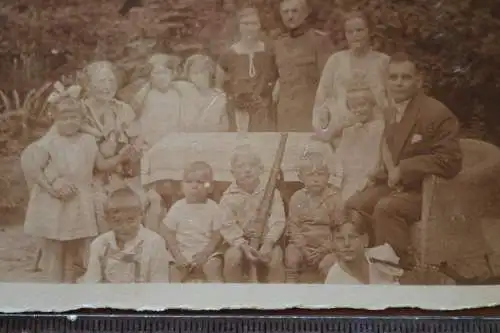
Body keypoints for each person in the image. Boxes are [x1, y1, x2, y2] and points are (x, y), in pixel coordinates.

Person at [346, 52, 463, 269]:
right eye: (393, 77)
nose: (398, 83)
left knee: (386, 208)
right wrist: (379, 173)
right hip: (399, 186)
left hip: (426, 191)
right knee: (355, 204)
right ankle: (363, 265)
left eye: (405, 77)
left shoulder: (436, 113)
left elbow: (451, 161)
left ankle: (397, 268)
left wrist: (405, 168)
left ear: (418, 80)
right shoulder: (392, 111)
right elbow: (396, 153)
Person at [22, 96, 137, 283]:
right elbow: (35, 170)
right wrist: (53, 189)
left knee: (72, 251)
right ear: (54, 119)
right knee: (57, 250)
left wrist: (121, 157)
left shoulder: (88, 140)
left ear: (82, 119)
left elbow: (101, 165)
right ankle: (55, 289)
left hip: (79, 200)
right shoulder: (50, 143)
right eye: (64, 118)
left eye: (74, 117)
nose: (69, 122)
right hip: (56, 203)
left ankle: (69, 290)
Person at [313, 10, 390, 134]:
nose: (355, 35)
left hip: (378, 131)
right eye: (350, 32)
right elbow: (322, 97)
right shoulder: (335, 61)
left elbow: (392, 100)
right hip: (342, 131)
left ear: (369, 31)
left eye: (359, 30)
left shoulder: (383, 61)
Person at [219, 145, 286, 283]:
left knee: (276, 258)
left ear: (261, 169)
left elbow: (278, 221)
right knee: (232, 258)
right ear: (232, 172)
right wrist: (243, 245)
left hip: (267, 240)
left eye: (252, 165)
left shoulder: (272, 192)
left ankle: (277, 297)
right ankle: (235, 298)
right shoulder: (228, 197)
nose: (247, 170)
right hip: (238, 243)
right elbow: (227, 225)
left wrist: (268, 243)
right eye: (241, 166)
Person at [80, 187, 171, 283]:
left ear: (141, 215)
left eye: (130, 220)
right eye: (117, 221)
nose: (125, 227)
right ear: (107, 219)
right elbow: (92, 283)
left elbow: (159, 284)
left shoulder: (155, 243)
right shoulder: (99, 244)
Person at [273, 0, 334, 132]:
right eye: (285, 12)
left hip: (310, 114)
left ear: (305, 13)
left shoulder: (319, 41)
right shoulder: (278, 44)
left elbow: (329, 81)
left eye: (295, 11)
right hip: (284, 116)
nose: (290, 16)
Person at [216, 5, 277, 132]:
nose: (250, 28)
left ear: (259, 25)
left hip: (263, 112)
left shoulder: (269, 51)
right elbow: (219, 86)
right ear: (239, 26)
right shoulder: (229, 53)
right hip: (239, 114)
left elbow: (278, 77)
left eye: (254, 23)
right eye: (246, 24)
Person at [161, 161, 224, 283]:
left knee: (213, 267)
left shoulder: (213, 208)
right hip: (182, 251)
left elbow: (217, 236)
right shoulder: (178, 207)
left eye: (200, 182)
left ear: (210, 187)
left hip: (206, 251)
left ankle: (218, 298)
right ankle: (174, 299)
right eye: (189, 182)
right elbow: (169, 233)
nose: (194, 186)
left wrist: (205, 254)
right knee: (173, 271)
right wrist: (178, 255)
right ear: (182, 186)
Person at [284, 152, 340, 283]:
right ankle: (290, 289)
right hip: (302, 244)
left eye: (320, 174)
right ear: (300, 177)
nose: (316, 179)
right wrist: (303, 248)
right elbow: (294, 227)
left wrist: (325, 248)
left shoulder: (334, 198)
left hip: (327, 246)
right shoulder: (297, 197)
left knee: (328, 264)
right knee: (291, 256)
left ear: (328, 176)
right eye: (310, 174)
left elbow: (338, 229)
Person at [332, 76, 386, 204]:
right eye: (353, 107)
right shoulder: (349, 131)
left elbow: (379, 159)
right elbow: (341, 157)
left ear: (372, 104)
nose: (358, 110)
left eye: (362, 105)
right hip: (349, 179)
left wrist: (369, 178)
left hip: (370, 180)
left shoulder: (380, 128)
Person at [324, 209, 404, 284]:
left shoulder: (382, 256)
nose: (347, 244)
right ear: (333, 243)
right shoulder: (334, 280)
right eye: (340, 239)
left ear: (365, 240)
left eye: (353, 237)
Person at [183, 54, 229, 132]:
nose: (199, 76)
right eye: (195, 73)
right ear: (189, 76)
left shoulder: (220, 97)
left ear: (210, 73)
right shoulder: (183, 95)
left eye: (203, 72)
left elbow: (225, 127)